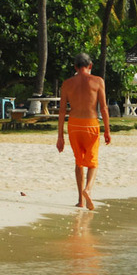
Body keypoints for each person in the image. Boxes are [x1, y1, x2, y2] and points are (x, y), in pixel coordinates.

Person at [56, 53, 111, 210]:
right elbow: (104, 108)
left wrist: (60, 136)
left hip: (73, 125)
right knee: (92, 162)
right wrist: (107, 130)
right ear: (90, 66)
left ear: (75, 67)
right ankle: (88, 189)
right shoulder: (98, 81)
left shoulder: (66, 84)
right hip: (91, 124)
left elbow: (61, 111)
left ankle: (81, 200)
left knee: (79, 161)